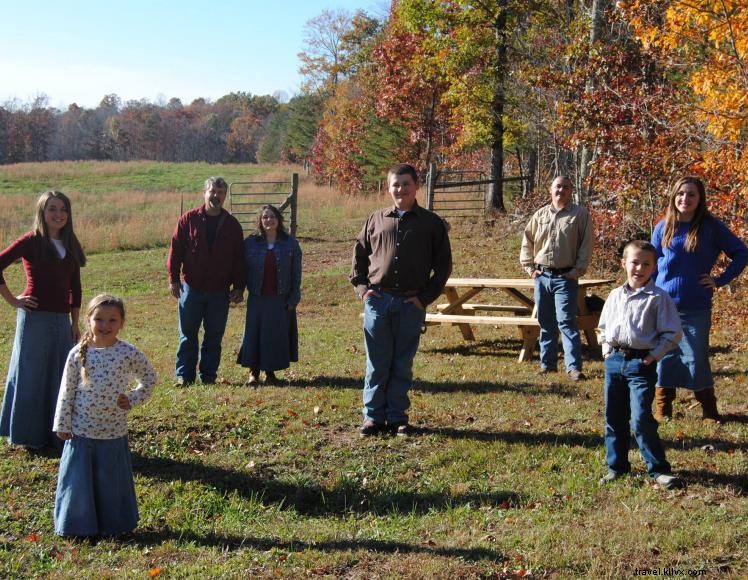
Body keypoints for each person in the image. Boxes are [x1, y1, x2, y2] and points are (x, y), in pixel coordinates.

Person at [351, 163, 452, 437]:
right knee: (377, 362)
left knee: (401, 363)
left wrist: (424, 298)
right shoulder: (375, 219)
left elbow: (443, 267)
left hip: (410, 304)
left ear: (416, 185)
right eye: (395, 184)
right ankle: (372, 417)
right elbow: (359, 256)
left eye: (405, 184)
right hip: (379, 301)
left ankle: (397, 418)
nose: (400, 189)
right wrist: (362, 289)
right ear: (388, 187)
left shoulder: (431, 223)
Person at [53, 294, 157, 537]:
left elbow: (150, 379)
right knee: (79, 484)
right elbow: (66, 391)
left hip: (113, 432)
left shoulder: (128, 352)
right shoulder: (77, 354)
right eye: (98, 319)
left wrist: (132, 398)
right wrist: (62, 423)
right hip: (81, 433)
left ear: (121, 322)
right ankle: (78, 526)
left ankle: (115, 526)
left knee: (111, 482)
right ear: (88, 320)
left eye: (112, 320)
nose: (105, 325)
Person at [651, 176, 747, 422]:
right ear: (674, 196)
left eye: (691, 194)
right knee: (664, 355)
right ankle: (663, 407)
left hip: (695, 304)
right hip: (663, 303)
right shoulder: (663, 226)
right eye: (681, 193)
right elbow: (651, 265)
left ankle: (708, 409)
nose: (685, 199)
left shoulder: (710, 227)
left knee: (696, 357)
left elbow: (741, 253)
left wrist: (719, 280)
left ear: (700, 199)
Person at [0, 191, 86, 450]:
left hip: (61, 320)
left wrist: (75, 323)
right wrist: (14, 300)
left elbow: (76, 287)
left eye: (63, 209)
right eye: (52, 209)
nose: (58, 214)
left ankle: (56, 433)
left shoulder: (70, 243)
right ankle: (28, 435)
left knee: (59, 375)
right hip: (34, 319)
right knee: (32, 375)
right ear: (42, 212)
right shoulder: (30, 241)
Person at [596, 240, 683, 489]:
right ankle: (617, 467)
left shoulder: (659, 298)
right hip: (615, 361)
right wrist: (606, 351)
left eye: (646, 264)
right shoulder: (614, 296)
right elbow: (603, 327)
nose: (639, 268)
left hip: (641, 364)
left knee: (641, 419)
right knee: (614, 416)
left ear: (654, 267)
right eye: (634, 262)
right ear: (624, 264)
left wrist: (653, 356)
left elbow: (673, 333)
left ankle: (658, 469)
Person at [167, 177, 245, 386]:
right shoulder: (188, 220)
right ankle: (184, 376)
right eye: (212, 191)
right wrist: (174, 279)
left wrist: (238, 287)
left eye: (220, 193)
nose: (216, 196)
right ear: (204, 193)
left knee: (214, 336)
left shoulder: (232, 225)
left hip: (219, 291)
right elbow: (175, 252)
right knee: (187, 335)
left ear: (225, 196)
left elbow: (239, 259)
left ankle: (208, 376)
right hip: (191, 288)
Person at [520, 176, 593, 382]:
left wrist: (576, 271)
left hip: (565, 277)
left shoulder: (580, 214)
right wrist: (530, 268)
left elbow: (586, 245)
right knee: (546, 323)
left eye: (565, 187)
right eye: (557, 187)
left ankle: (573, 368)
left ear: (571, 191)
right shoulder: (540, 214)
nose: (561, 190)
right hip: (542, 277)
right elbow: (527, 241)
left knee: (567, 323)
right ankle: (547, 364)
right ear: (550, 190)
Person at [237, 205, 302, 384]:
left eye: (272, 216)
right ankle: (253, 373)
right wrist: (238, 289)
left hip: (280, 297)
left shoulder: (290, 243)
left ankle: (270, 373)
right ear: (260, 220)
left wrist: (294, 296)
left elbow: (296, 273)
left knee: (274, 335)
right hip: (257, 296)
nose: (269, 220)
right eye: (265, 217)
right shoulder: (250, 242)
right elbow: (242, 270)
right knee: (254, 333)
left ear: (279, 220)